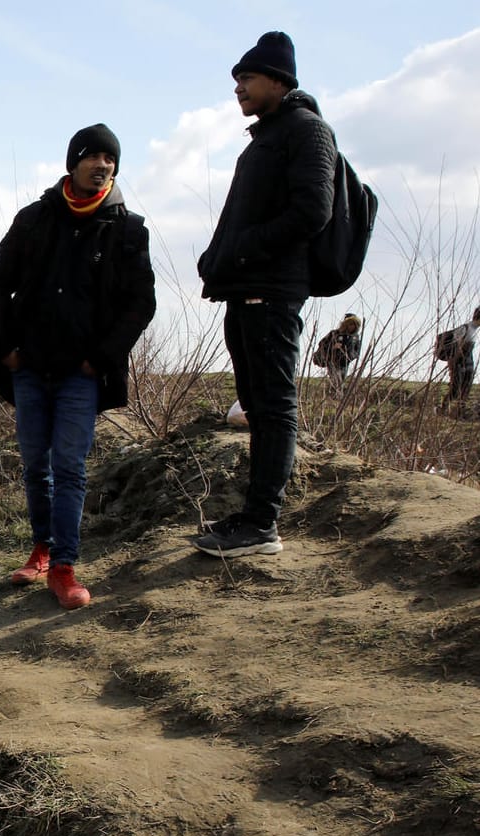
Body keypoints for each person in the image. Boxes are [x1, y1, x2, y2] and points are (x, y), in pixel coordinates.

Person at [0, 123, 157, 609]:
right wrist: (4, 346)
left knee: (70, 467)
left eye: (110, 159)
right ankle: (40, 550)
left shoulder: (127, 229)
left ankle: (64, 567)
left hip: (82, 372)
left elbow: (140, 303)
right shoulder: (34, 219)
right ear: (73, 162)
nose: (102, 165)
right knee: (37, 465)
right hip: (31, 366)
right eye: (93, 157)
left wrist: (100, 357)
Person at [194, 31, 337, 557]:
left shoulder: (307, 132)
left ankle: (262, 525)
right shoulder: (267, 138)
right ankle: (252, 517)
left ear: (279, 81)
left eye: (247, 78)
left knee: (274, 408)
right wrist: (218, 257)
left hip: (273, 293)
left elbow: (311, 212)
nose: (238, 88)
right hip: (246, 290)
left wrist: (241, 250)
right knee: (256, 404)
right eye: (236, 80)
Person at [435, 306, 478, 415]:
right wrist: (455, 361)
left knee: (466, 387)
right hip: (457, 362)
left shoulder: (474, 330)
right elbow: (454, 345)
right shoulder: (465, 328)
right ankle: (442, 409)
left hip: (468, 362)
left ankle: (460, 412)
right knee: (455, 388)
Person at [312, 313, 361, 396]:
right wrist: (332, 347)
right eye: (350, 324)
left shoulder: (355, 337)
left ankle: (336, 398)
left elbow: (357, 350)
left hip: (345, 363)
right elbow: (322, 344)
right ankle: (336, 397)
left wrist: (350, 356)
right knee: (336, 380)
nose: (352, 326)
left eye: (354, 324)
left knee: (341, 380)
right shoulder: (334, 334)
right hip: (332, 360)